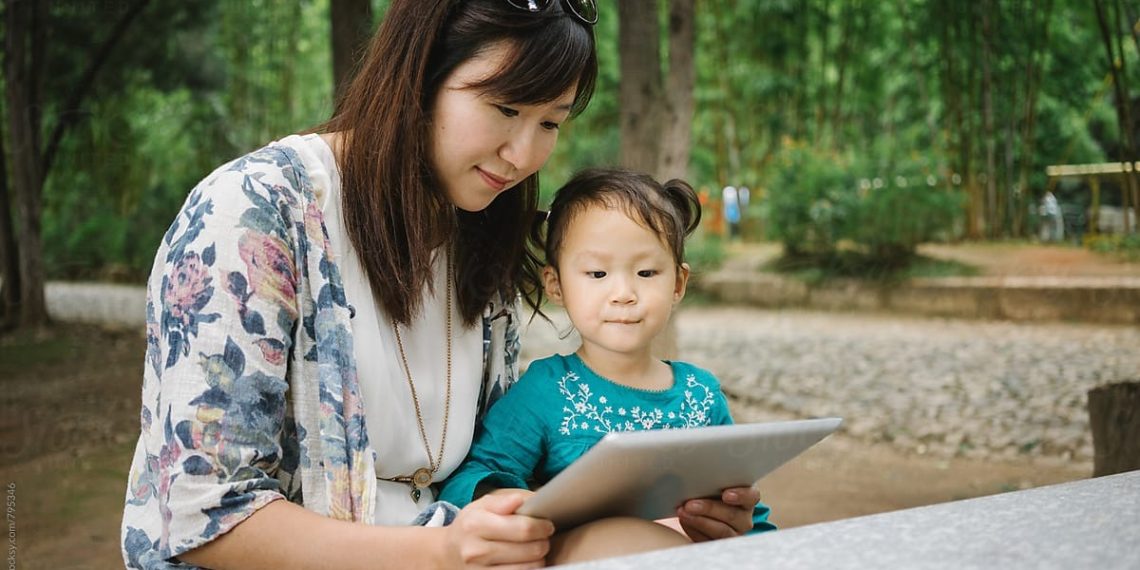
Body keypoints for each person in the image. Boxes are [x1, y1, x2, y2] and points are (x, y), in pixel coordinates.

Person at [121, 1, 757, 567]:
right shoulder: (255, 211)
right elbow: (203, 515)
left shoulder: (482, 231)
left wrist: (679, 512)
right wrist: (441, 550)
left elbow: (500, 478)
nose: (524, 154)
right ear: (418, 76)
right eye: (505, 108)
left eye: (551, 122)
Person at [439, 168, 774, 564]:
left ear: (678, 284)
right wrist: (514, 505)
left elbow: (751, 519)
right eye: (597, 273)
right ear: (556, 285)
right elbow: (473, 477)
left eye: (647, 273)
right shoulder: (547, 389)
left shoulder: (701, 395)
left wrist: (738, 520)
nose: (624, 294)